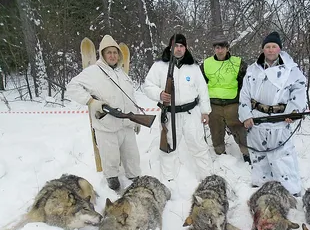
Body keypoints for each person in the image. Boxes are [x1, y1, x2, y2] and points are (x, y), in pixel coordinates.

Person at [67, 35, 141, 191]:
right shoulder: (93, 71)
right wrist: (91, 102)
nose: (113, 55)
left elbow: (130, 97)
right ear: (103, 54)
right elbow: (72, 87)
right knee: (111, 160)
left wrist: (136, 119)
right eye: (109, 53)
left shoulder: (122, 73)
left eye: (115, 52)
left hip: (126, 124)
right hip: (107, 125)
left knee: (133, 160)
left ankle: (135, 183)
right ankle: (113, 186)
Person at [238, 31, 307, 196]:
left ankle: (290, 191)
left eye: (273, 46)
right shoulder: (253, 70)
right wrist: (246, 115)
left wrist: (293, 111)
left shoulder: (291, 71)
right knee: (259, 157)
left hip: (279, 121)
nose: (270, 50)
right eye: (267, 47)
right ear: (263, 49)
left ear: (279, 49)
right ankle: (262, 188)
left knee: (282, 158)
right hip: (257, 121)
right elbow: (245, 94)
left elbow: (298, 92)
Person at [144, 33, 213, 183]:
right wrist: (160, 94)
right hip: (170, 114)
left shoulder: (193, 67)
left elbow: (203, 90)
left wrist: (205, 111)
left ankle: (207, 180)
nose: (179, 49)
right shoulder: (159, 66)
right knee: (168, 148)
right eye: (176, 46)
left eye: (182, 46)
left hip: (191, 113)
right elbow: (147, 85)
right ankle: (168, 182)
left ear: (186, 48)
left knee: (199, 147)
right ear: (170, 47)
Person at [200, 35, 251, 163]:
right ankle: (220, 156)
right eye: (217, 48)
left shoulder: (238, 63)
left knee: (240, 130)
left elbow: (245, 84)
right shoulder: (206, 64)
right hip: (214, 105)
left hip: (233, 104)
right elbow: (201, 85)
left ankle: (247, 154)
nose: (220, 50)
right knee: (216, 131)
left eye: (222, 47)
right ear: (214, 49)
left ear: (227, 48)